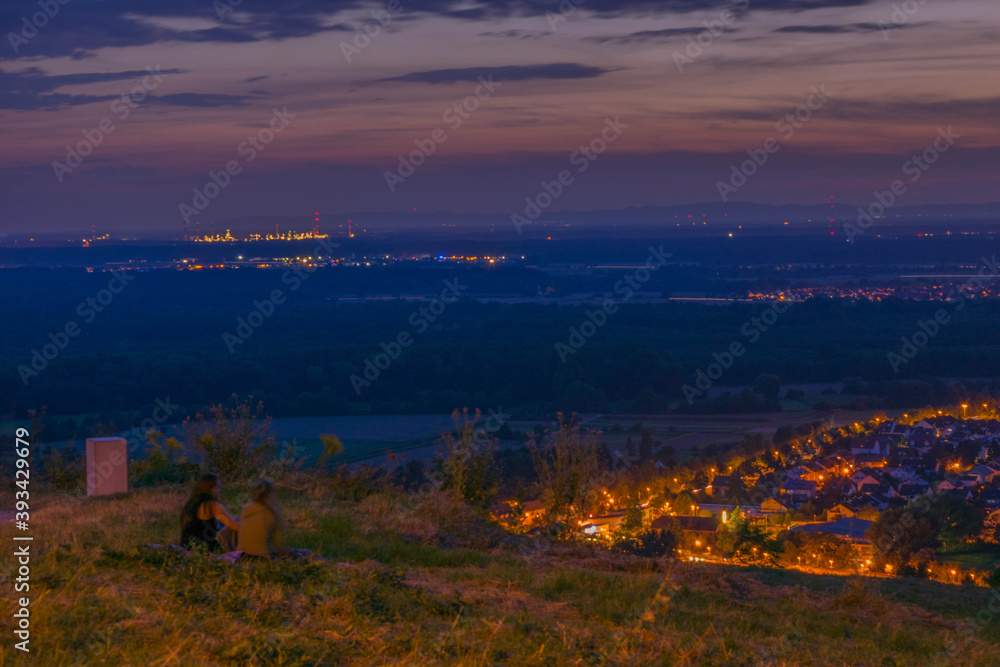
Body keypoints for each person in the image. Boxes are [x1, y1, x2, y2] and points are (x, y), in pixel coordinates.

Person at [237, 478, 311, 560]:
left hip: (241, 556)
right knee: (307, 552)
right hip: (263, 558)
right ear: (269, 494)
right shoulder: (270, 513)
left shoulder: (245, 510)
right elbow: (279, 543)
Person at [180, 473, 240, 552]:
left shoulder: (191, 504)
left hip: (187, 546)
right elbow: (236, 527)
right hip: (205, 548)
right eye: (217, 487)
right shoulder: (212, 506)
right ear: (209, 488)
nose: (220, 490)